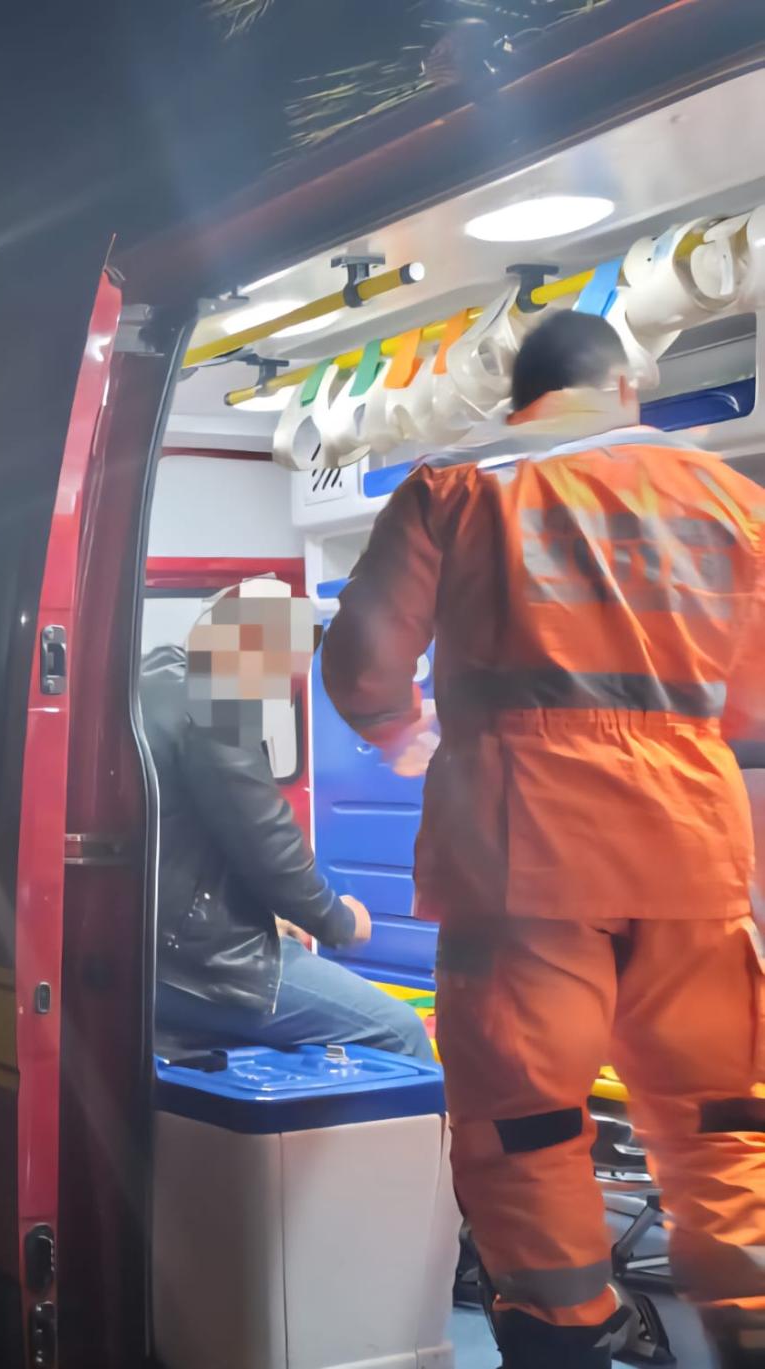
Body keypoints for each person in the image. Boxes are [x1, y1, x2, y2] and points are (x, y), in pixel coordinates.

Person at [321, 309, 765, 1368]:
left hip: (521, 856)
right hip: (693, 856)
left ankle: (561, 1337)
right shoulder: (736, 503)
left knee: (525, 1130)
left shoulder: (458, 490)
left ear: (520, 398)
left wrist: (406, 734)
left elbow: (364, 669)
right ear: (624, 391)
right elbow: (749, 710)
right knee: (722, 1122)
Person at [142, 578, 434, 1062]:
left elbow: (191, 838)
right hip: (208, 966)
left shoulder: (150, 682)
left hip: (149, 957)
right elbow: (267, 843)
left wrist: (272, 919)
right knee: (400, 1031)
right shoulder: (216, 699)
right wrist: (338, 920)